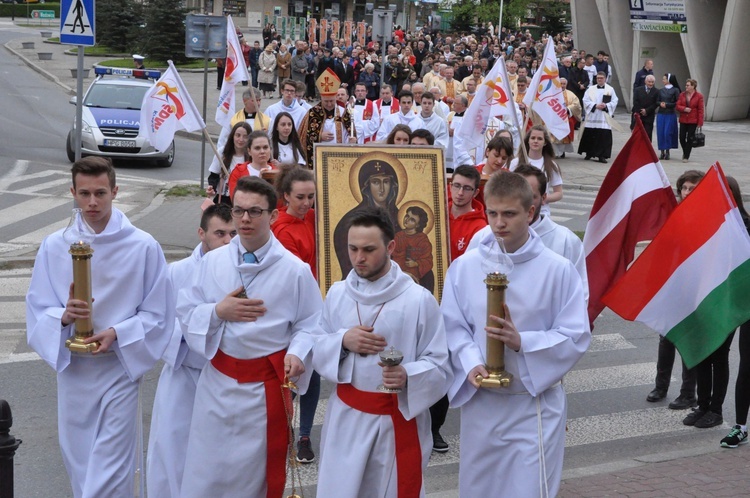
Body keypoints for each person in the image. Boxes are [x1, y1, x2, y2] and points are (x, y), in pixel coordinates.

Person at [26, 156, 172, 498]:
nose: (92, 203)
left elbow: (159, 313)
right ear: (73, 193)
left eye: (101, 193)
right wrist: (63, 317)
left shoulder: (143, 246)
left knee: (112, 467)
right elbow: (37, 306)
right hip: (74, 372)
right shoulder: (54, 245)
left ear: (115, 191)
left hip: (118, 368)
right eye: (85, 193)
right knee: (81, 464)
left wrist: (118, 332)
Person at [441, 171, 590, 498]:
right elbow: (453, 325)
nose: (499, 223)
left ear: (531, 212)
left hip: (531, 405)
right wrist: (469, 364)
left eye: (509, 214)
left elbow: (575, 334)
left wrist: (524, 342)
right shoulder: (465, 267)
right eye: (492, 213)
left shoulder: (557, 269)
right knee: (480, 490)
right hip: (482, 404)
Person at [177, 176, 322, 498]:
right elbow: (186, 309)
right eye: (238, 211)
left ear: (273, 215)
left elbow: (311, 323)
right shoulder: (213, 261)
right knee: (207, 473)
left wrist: (297, 353)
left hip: (263, 392)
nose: (244, 219)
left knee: (251, 479)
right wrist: (217, 311)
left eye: (254, 212)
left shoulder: (294, 270)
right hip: (216, 387)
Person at [313, 208, 451, 497]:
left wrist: (407, 375)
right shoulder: (338, 293)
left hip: (395, 421)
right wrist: (342, 342)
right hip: (345, 420)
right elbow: (316, 344)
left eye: (368, 249)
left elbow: (441, 364)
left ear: (390, 247)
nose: (358, 258)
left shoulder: (418, 300)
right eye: (352, 249)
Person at [147, 204, 235, 498]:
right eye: (219, 233)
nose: (227, 241)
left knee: (218, 456)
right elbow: (160, 323)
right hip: (183, 373)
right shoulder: (177, 272)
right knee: (173, 449)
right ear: (201, 234)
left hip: (223, 378)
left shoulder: (241, 270)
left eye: (233, 234)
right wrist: (198, 328)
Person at [271, 165, 320, 463]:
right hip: (293, 309)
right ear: (286, 196)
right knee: (289, 372)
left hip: (317, 306)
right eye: (300, 197)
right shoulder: (282, 229)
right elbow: (296, 277)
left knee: (312, 376)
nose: (306, 203)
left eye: (311, 197)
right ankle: (283, 429)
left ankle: (304, 435)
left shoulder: (316, 217)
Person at [646, 170, 701, 409]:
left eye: (692, 188)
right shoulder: (672, 215)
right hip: (672, 286)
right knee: (666, 338)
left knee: (688, 341)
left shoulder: (704, 218)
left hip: (694, 289)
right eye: (684, 188)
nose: (687, 193)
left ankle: (689, 393)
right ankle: (661, 386)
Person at [720, 176, 750, 448]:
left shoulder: (746, 225)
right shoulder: (714, 227)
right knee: (746, 367)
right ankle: (740, 426)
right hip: (740, 308)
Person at [298, 69, 356, 167]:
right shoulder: (312, 113)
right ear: (321, 98)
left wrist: (352, 140)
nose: (329, 104)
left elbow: (349, 133)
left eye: (332, 101)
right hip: (319, 158)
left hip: (339, 157)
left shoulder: (344, 112)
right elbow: (302, 137)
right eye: (326, 101)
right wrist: (319, 136)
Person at [209, 90, 269, 181]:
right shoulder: (234, 120)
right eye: (254, 100)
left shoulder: (266, 121)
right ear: (245, 101)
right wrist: (226, 155)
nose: (258, 103)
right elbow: (223, 140)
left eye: (259, 100)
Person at [519, 125, 563, 216]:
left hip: (542, 212)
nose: (535, 141)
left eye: (539, 139)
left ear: (545, 142)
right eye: (533, 138)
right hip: (520, 210)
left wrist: (543, 199)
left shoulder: (551, 165)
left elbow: (559, 193)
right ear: (528, 140)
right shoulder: (516, 162)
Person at [207, 121, 251, 205]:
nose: (241, 139)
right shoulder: (222, 152)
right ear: (232, 136)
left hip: (244, 199)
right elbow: (214, 175)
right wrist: (212, 187)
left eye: (245, 136)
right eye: (238, 135)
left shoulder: (252, 155)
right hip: (224, 198)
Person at [578, 72, 618, 163]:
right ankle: (589, 153)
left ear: (605, 79)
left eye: (601, 78)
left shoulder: (610, 89)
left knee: (603, 136)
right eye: (598, 78)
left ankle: (602, 155)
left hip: (603, 117)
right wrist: (595, 105)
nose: (599, 79)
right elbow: (585, 100)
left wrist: (606, 105)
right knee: (590, 134)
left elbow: (615, 101)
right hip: (593, 115)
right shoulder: (590, 89)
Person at [392, 205, 435, 291]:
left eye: (412, 220)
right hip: (399, 275)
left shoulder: (422, 240)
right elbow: (392, 256)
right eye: (407, 216)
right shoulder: (398, 237)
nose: (407, 220)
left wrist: (416, 263)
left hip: (418, 278)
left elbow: (428, 260)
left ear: (418, 225)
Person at [227, 131, 274, 199]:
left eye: (265, 147)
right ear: (249, 151)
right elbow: (236, 200)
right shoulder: (238, 172)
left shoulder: (278, 172)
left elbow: (282, 202)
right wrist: (259, 182)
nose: (262, 151)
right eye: (257, 148)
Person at [676, 78, 705, 163]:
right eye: (686, 85)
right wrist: (684, 109)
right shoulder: (682, 95)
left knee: (690, 138)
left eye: (688, 85)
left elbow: (700, 110)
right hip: (683, 119)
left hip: (693, 120)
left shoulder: (699, 96)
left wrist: (700, 122)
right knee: (681, 137)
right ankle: (685, 151)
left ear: (693, 86)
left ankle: (686, 156)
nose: (686, 87)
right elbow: (677, 105)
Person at [656, 73, 681, 160]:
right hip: (661, 114)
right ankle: (662, 151)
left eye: (664, 79)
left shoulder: (675, 90)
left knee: (667, 133)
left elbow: (678, 102)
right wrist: (660, 103)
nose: (663, 80)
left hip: (670, 114)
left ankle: (667, 151)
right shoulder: (661, 90)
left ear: (669, 80)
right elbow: (657, 101)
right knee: (661, 133)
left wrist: (667, 105)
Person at [631, 74, 659, 142]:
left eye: (652, 82)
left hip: (649, 116)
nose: (651, 83)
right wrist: (641, 111)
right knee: (637, 135)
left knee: (648, 135)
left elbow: (656, 103)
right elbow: (635, 102)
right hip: (638, 116)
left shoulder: (656, 91)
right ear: (645, 81)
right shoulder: (638, 90)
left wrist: (647, 111)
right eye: (649, 82)